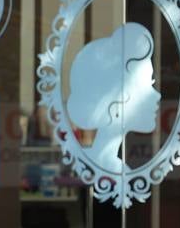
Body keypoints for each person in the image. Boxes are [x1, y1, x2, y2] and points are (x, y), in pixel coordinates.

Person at [65, 22, 162, 175]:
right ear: (119, 96)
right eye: (146, 85)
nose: (158, 95)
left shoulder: (106, 166)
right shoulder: (111, 169)